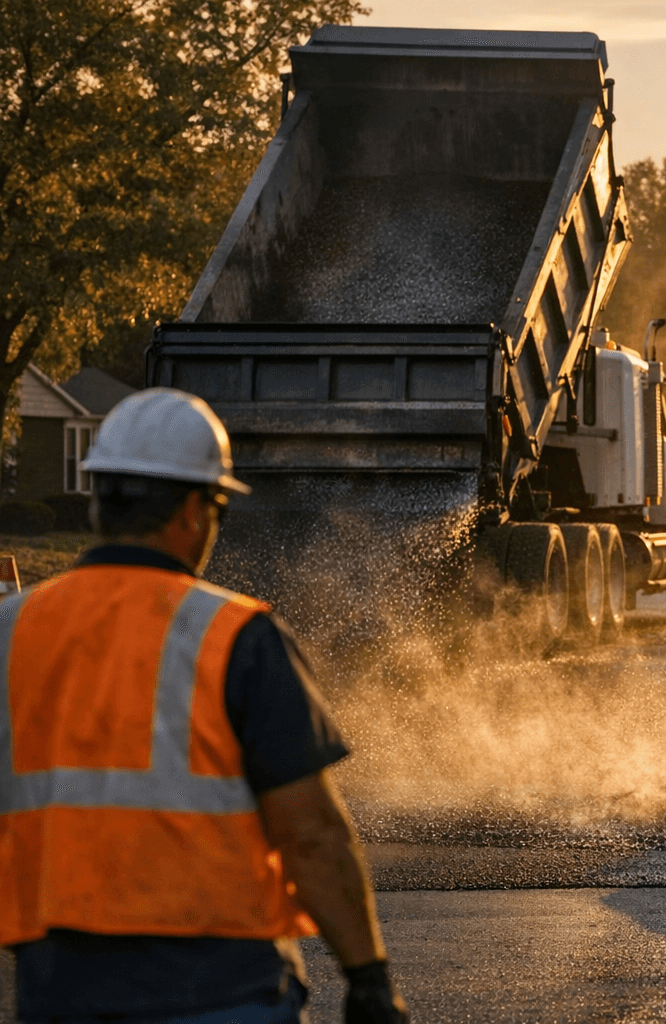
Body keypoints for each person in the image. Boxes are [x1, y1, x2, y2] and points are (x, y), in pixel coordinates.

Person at [0, 389, 409, 1022]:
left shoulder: (12, 629)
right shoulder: (235, 637)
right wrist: (367, 976)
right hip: (220, 988)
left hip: (58, 990)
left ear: (97, 502)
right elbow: (311, 833)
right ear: (194, 509)